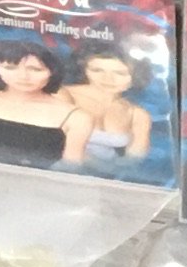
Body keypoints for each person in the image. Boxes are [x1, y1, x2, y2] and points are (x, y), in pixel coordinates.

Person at [57, 47, 158, 175]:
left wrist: (112, 174)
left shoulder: (137, 114)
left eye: (120, 73)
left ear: (135, 77)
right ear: (84, 70)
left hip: (106, 179)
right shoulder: (63, 94)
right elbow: (56, 143)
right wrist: (105, 170)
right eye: (97, 70)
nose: (107, 79)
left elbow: (134, 159)